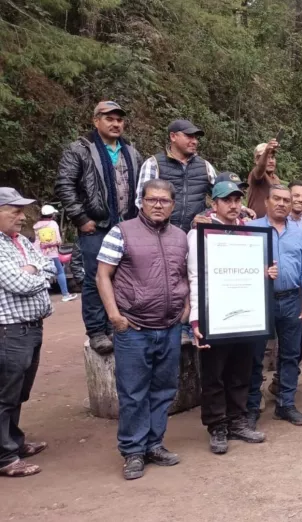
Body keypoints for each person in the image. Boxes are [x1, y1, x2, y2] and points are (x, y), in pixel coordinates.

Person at [95, 179, 189, 481]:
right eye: (152, 200)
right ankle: (133, 451)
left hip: (170, 327)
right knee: (134, 393)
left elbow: (185, 274)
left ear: (173, 205)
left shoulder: (181, 237)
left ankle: (154, 444)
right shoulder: (120, 232)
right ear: (141, 202)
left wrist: (186, 306)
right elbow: (102, 275)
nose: (158, 205)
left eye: (164, 200)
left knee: (164, 390)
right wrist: (114, 316)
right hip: (134, 328)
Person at [187, 181, 272, 455]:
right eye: (227, 200)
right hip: (215, 314)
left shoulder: (249, 232)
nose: (233, 205)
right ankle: (217, 426)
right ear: (216, 204)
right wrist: (196, 321)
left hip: (245, 313)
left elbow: (251, 271)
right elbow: (195, 277)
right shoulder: (199, 233)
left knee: (241, 371)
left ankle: (237, 420)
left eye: (237, 200)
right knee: (215, 374)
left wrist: (264, 273)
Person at [55, 101, 143, 354]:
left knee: (123, 277)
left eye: (119, 120)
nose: (116, 124)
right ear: (96, 121)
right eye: (109, 119)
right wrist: (81, 218)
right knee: (96, 278)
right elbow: (65, 185)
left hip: (126, 225)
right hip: (96, 225)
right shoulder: (80, 149)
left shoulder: (131, 151)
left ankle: (116, 324)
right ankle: (97, 331)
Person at [245, 185, 302, 427]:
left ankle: (286, 404)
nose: (282, 203)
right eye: (277, 199)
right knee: (255, 356)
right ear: (267, 202)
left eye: (287, 200)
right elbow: (240, 265)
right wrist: (260, 272)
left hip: (290, 299)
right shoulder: (251, 229)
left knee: (290, 354)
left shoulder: (299, 233)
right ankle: (252, 405)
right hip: (259, 300)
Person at [0, 189, 54, 478]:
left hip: (31, 326)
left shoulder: (21, 241)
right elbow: (16, 283)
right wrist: (36, 273)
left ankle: (14, 442)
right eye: (15, 210)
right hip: (9, 329)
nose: (22, 217)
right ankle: (4, 457)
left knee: (18, 392)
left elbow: (48, 269)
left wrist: (32, 269)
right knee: (4, 394)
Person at [135, 120, 218, 233]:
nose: (194, 141)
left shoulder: (205, 166)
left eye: (195, 138)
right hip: (159, 234)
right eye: (189, 136)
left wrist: (241, 209)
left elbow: (221, 196)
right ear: (173, 136)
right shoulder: (154, 164)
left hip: (194, 234)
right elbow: (141, 201)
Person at [32, 205, 78, 302]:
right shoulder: (53, 224)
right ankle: (65, 294)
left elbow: (36, 240)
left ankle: (42, 297)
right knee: (60, 272)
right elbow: (58, 240)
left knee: (41, 273)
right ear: (52, 215)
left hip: (39, 252)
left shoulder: (36, 225)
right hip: (52, 252)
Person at [245, 140, 281, 218]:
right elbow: (260, 168)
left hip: (273, 223)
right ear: (256, 161)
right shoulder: (256, 174)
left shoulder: (276, 178)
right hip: (256, 223)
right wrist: (266, 151)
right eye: (267, 157)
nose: (271, 161)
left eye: (272, 157)